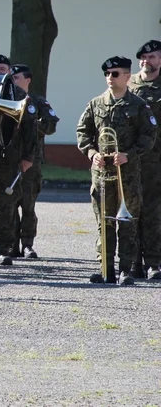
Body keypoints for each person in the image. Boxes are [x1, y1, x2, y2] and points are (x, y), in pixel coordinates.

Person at [77, 55, 156, 285]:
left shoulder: (139, 106)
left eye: (115, 74)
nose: (109, 78)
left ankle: (126, 270)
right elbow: (83, 132)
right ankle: (105, 269)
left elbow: (149, 136)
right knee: (104, 222)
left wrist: (128, 155)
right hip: (102, 175)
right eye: (107, 74)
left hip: (128, 175)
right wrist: (93, 154)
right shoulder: (96, 104)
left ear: (126, 75)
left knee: (127, 223)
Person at [0, 54, 37, 266]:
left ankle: (4, 249)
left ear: (9, 73)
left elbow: (31, 128)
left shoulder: (19, 94)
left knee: (6, 206)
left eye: (2, 69)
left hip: (9, 159)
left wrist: (28, 157)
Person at [10, 64, 59, 259]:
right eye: (11, 78)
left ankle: (27, 244)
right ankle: (10, 244)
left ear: (28, 80)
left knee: (28, 205)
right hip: (9, 160)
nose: (13, 81)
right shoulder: (5, 101)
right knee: (8, 204)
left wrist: (31, 124)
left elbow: (51, 126)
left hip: (32, 162)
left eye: (17, 78)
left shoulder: (38, 102)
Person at [127, 40, 161, 279]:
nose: (147, 61)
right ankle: (132, 261)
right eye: (144, 57)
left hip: (157, 161)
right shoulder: (128, 85)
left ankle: (153, 262)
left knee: (154, 211)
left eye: (152, 57)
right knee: (131, 210)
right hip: (132, 160)